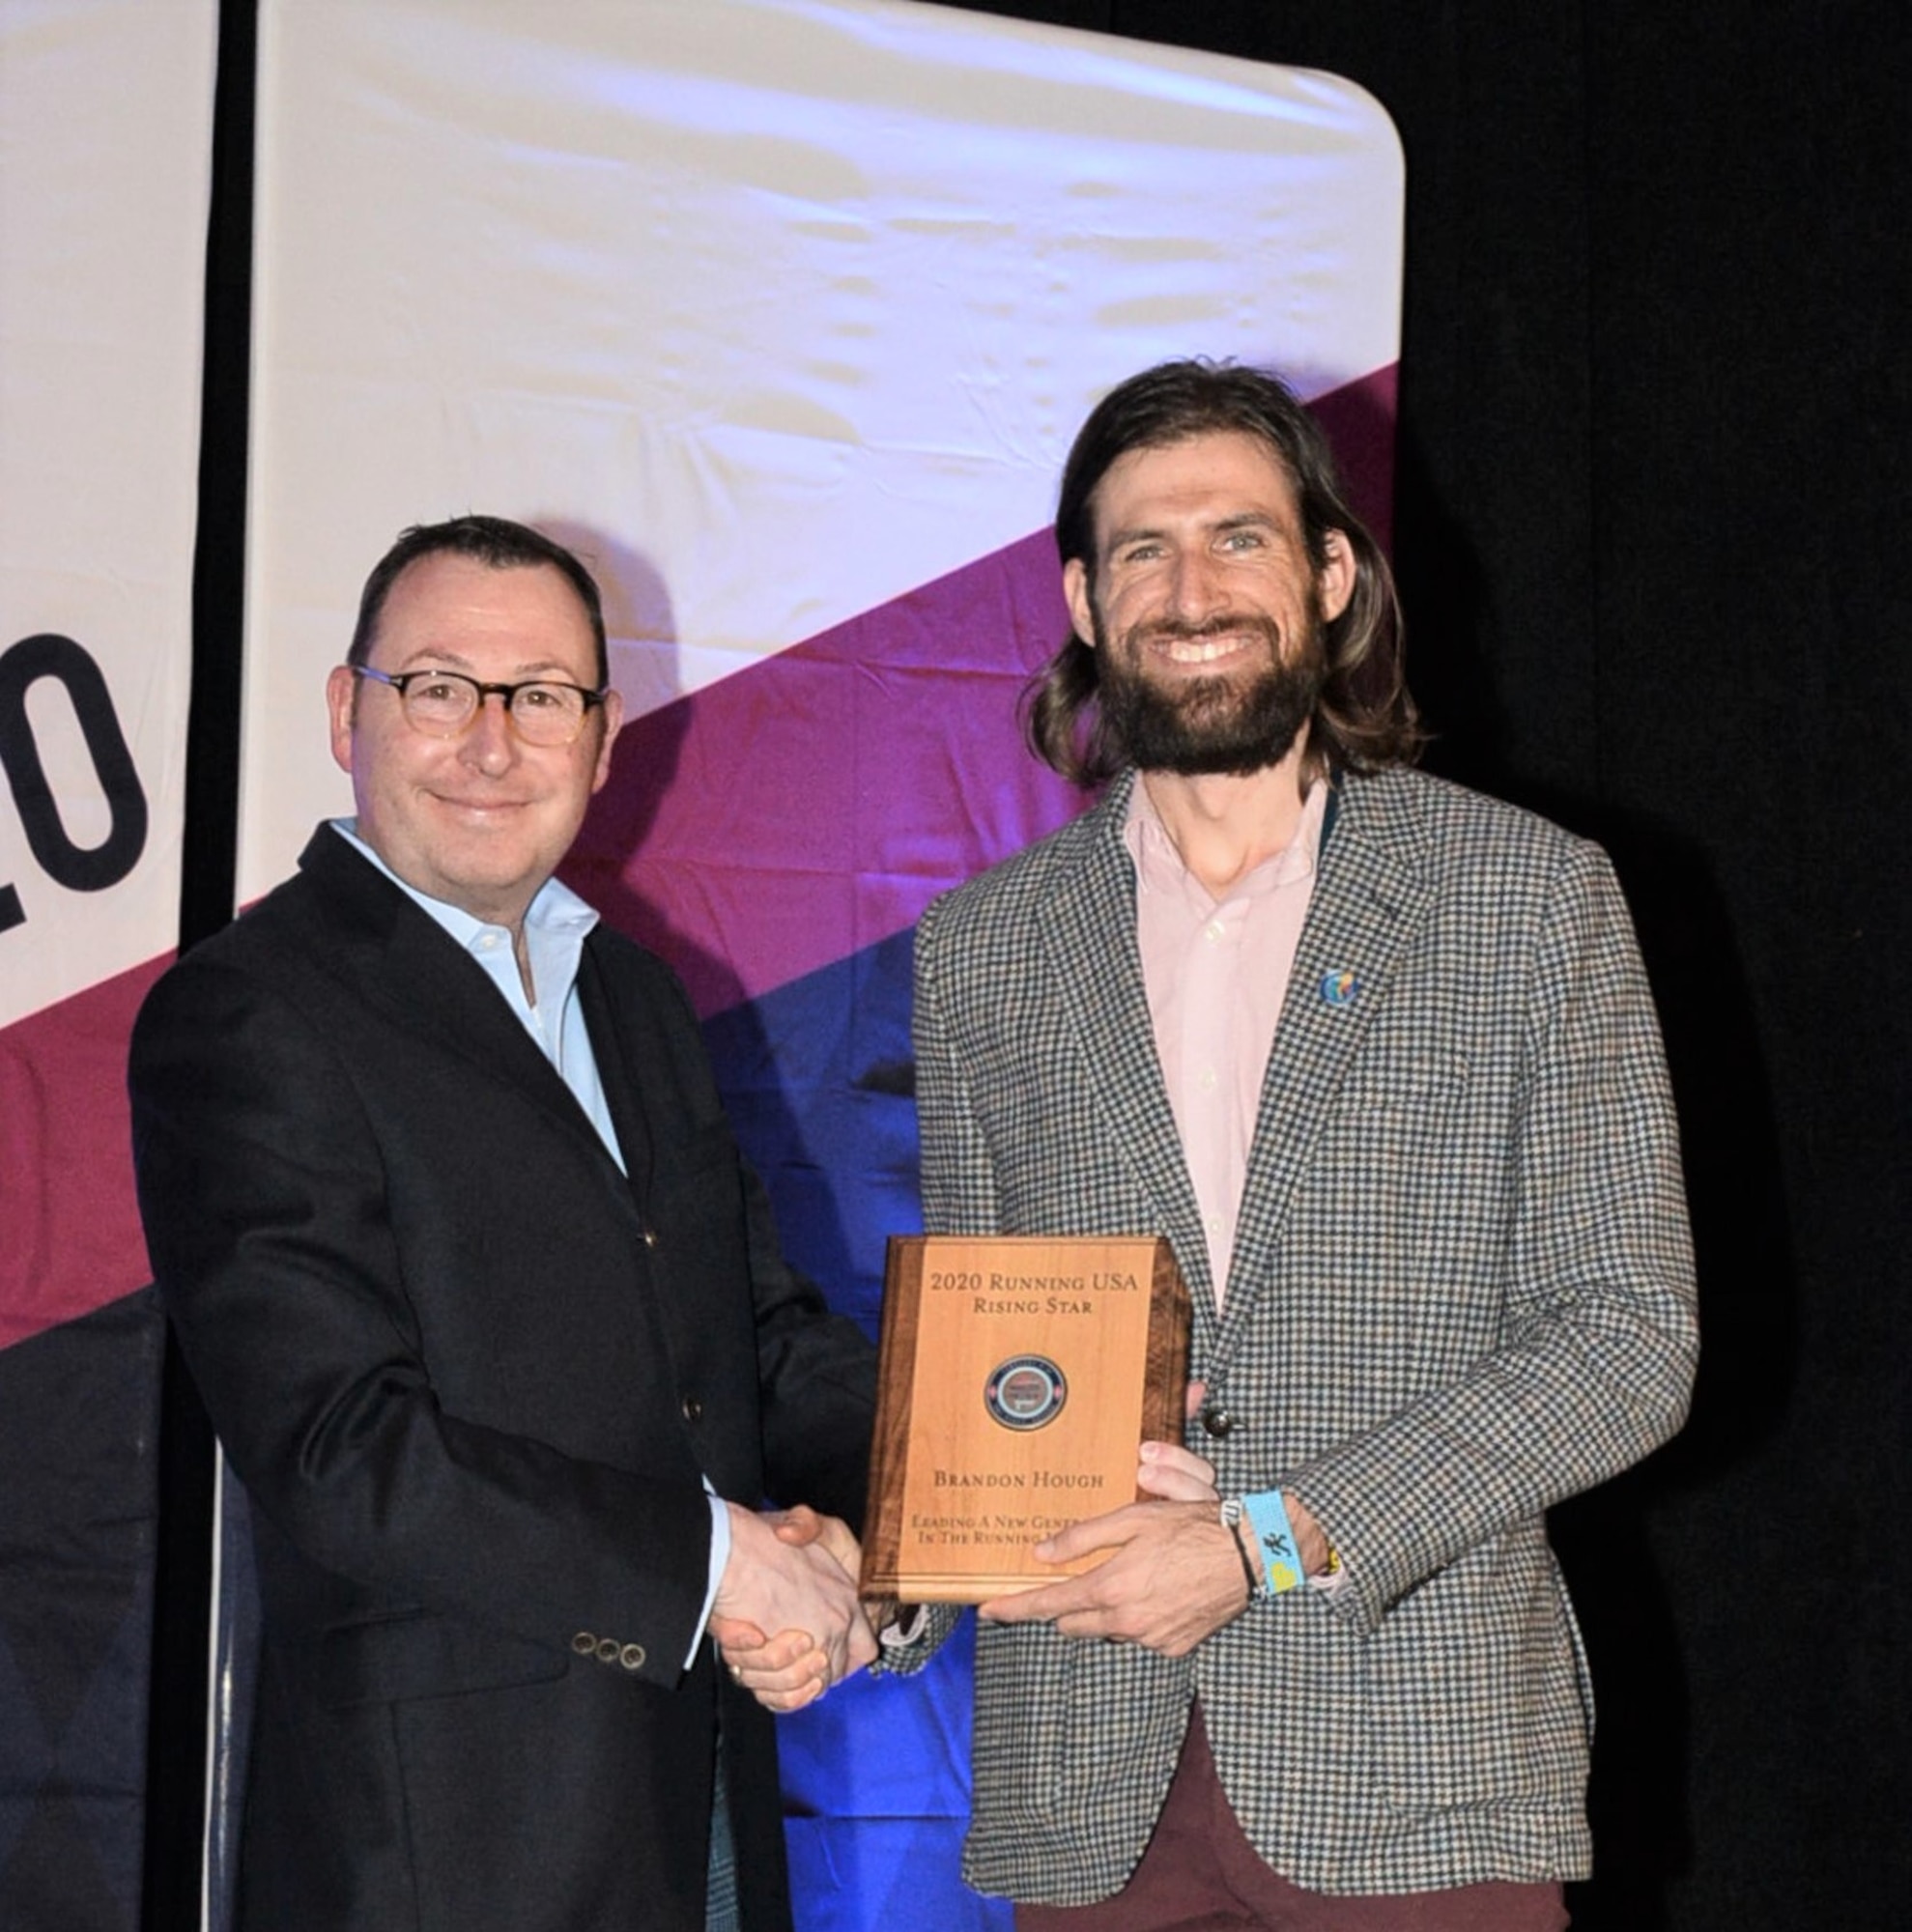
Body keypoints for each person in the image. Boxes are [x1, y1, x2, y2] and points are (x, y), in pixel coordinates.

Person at [907, 361, 1698, 1928]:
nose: (1191, 590)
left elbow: (1629, 1341)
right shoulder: (983, 949)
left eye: (1239, 539)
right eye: (1142, 550)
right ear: (1080, 595)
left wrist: (1261, 1543)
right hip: (1091, 1777)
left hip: (1420, 1771)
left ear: (1331, 576)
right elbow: (977, 1372)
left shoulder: (1529, 900)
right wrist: (879, 1597)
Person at [129, 515, 876, 1932]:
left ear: (602, 740)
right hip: (448, 1858)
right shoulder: (250, 1011)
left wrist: (936, 1505)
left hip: (699, 1802)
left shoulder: (638, 998)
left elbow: (758, 1342)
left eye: (539, 696)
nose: (490, 743)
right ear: (349, 712)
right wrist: (724, 1564)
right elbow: (341, 1450)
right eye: (438, 686)